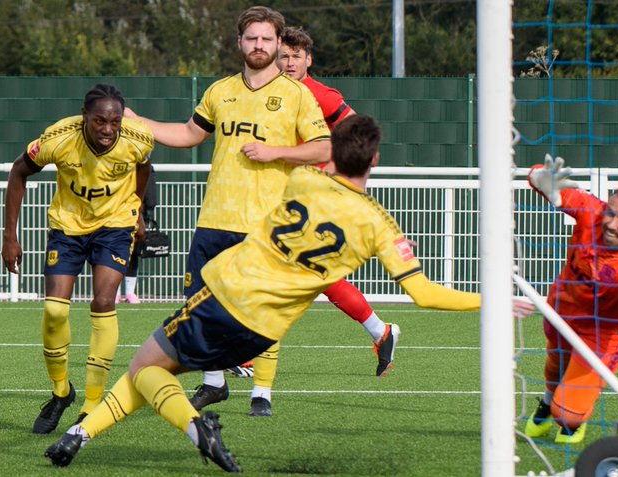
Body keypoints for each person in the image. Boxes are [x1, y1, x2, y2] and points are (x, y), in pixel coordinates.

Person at [43, 115, 535, 472]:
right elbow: (426, 295)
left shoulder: (299, 179)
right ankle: (79, 435)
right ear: (376, 161)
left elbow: (285, 163)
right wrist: (489, 300)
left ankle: (196, 427)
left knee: (145, 368)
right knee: (157, 368)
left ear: (332, 153)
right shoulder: (379, 225)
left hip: (223, 298)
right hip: (261, 335)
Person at [196, 24, 398, 418]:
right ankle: (379, 331)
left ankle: (246, 367)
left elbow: (356, 136)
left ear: (309, 60)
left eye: (295, 57)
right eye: (283, 56)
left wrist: (323, 171)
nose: (288, 63)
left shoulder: (318, 95)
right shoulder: (268, 90)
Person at [3, 84, 154, 435]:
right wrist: (10, 235)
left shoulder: (138, 138)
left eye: (114, 122)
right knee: (55, 310)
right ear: (85, 116)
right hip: (67, 228)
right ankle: (61, 392)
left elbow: (143, 169)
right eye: (100, 120)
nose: (107, 129)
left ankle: (90, 404)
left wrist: (138, 211)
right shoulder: (58, 138)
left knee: (103, 302)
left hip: (115, 226)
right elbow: (18, 172)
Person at [522, 155, 618, 444]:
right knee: (554, 367)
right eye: (611, 213)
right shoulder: (591, 211)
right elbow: (538, 176)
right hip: (563, 312)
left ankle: (571, 416)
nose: (611, 223)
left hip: (608, 332)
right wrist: (541, 180)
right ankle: (547, 401)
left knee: (568, 414)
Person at [118, 166, 156, 304]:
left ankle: (129, 292)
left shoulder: (143, 164)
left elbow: (150, 189)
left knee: (133, 252)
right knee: (110, 253)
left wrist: (148, 211)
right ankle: (114, 292)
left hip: (135, 215)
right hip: (113, 213)